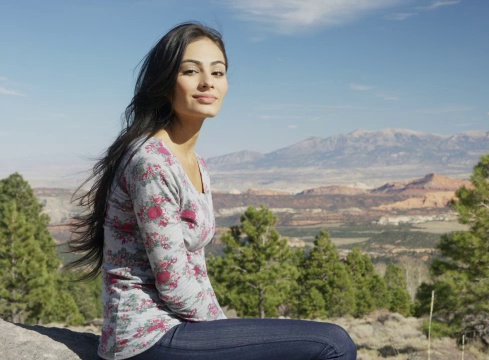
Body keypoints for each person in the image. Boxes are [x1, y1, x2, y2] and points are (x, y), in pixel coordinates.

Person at [68, 22, 357, 360]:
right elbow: (174, 283)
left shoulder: (195, 162)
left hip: (181, 327)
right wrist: (231, 336)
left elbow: (195, 273)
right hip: (146, 336)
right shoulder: (151, 161)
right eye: (191, 71)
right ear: (164, 83)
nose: (208, 82)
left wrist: (228, 335)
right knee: (333, 344)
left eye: (217, 72)